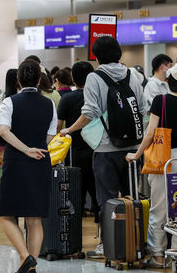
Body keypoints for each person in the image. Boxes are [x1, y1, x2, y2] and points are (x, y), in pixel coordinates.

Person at [59, 36, 147, 258]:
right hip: (132, 149)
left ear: (96, 56)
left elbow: (90, 112)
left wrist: (69, 130)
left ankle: (109, 246)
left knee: (107, 200)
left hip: (106, 149)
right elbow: (143, 109)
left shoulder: (94, 78)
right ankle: (135, 243)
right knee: (133, 197)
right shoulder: (133, 75)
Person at [125, 61, 177, 268]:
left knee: (159, 208)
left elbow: (150, 133)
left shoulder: (161, 101)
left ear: (171, 81)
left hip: (164, 159)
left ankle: (158, 255)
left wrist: (137, 154)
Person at [0, 60, 57, 273]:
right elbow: (50, 135)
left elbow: (3, 131)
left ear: (18, 79)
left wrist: (24, 148)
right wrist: (35, 147)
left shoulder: (9, 102)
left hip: (16, 161)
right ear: (40, 80)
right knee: (34, 217)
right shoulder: (50, 104)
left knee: (5, 213)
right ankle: (31, 267)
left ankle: (25, 257)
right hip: (41, 159)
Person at [56, 61, 99, 225]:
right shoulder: (97, 97)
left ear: (73, 78)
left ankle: (74, 235)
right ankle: (102, 236)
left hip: (75, 154)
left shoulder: (67, 98)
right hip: (97, 151)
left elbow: (59, 127)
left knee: (75, 196)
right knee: (98, 196)